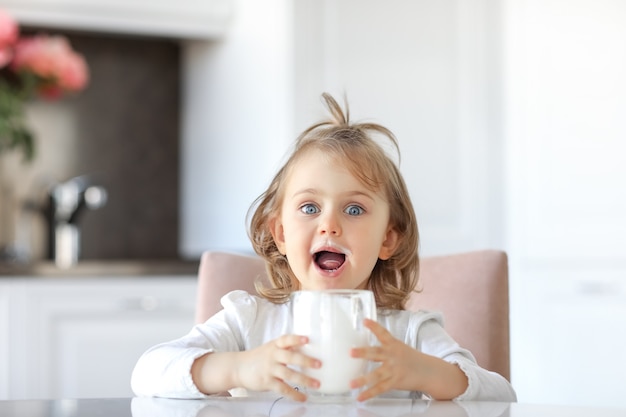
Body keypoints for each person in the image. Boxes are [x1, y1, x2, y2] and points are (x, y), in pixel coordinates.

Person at [131, 93, 517, 402]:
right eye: (310, 207)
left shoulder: (408, 335)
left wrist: (424, 372)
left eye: (354, 209)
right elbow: (148, 371)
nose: (329, 225)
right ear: (281, 234)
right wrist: (239, 369)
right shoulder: (249, 321)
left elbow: (501, 393)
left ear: (388, 238)